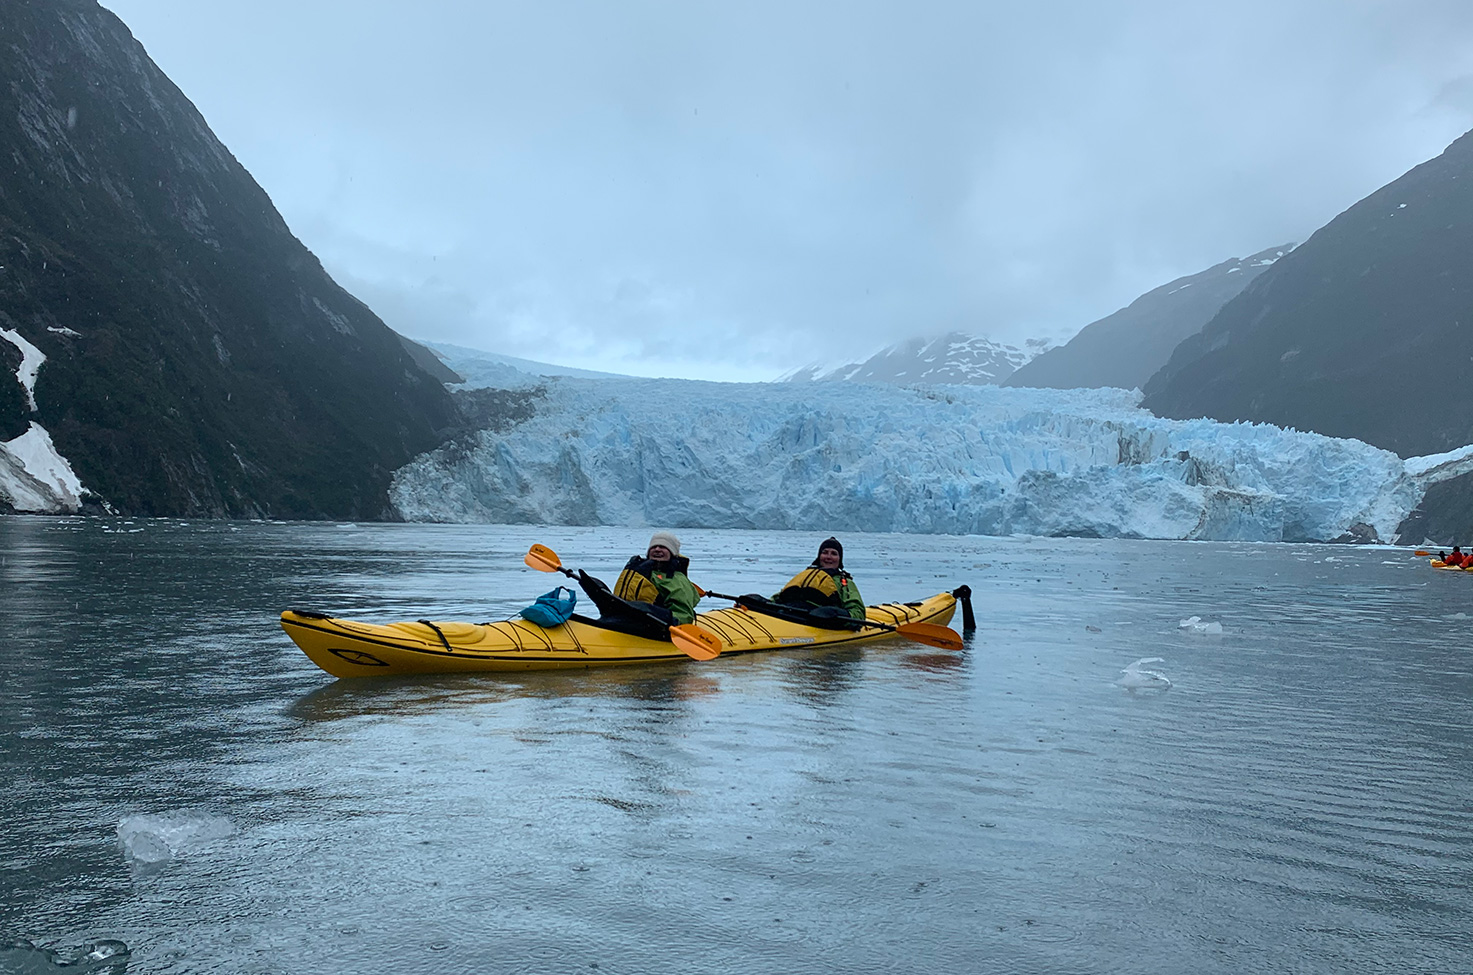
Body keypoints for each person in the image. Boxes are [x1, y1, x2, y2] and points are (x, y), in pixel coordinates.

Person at [579, 532, 701, 633]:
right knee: (596, 589)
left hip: (657, 627)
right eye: (654, 547)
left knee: (641, 608)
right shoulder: (640, 570)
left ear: (672, 552)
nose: (657, 549)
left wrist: (673, 622)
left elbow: (684, 615)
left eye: (663, 547)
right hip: (625, 619)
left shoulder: (676, 579)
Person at [773, 536, 866, 621]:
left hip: (817, 622)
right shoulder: (807, 575)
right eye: (825, 552)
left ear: (839, 559)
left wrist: (837, 614)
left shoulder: (844, 583)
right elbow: (780, 596)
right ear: (819, 556)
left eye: (834, 554)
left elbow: (857, 613)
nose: (829, 557)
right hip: (788, 614)